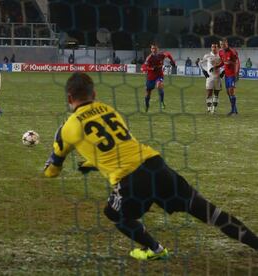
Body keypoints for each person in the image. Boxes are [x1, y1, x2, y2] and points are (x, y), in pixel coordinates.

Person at [43, 72, 258, 260]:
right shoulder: (108, 109)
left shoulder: (67, 128)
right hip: (155, 165)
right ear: (95, 94)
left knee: (114, 213)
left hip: (130, 180)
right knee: (207, 211)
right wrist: (92, 163)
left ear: (69, 98)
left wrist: (51, 162)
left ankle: (154, 249)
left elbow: (52, 172)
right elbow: (119, 145)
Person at [144, 43, 176, 112]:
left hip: (159, 75)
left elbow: (168, 54)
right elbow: (144, 67)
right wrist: (151, 69)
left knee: (159, 85)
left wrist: (172, 61)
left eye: (155, 48)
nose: (154, 50)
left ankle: (162, 102)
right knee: (148, 93)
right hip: (150, 77)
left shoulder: (161, 55)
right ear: (151, 49)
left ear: (157, 49)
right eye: (152, 48)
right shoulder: (149, 58)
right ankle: (147, 105)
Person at [215, 38, 240, 115]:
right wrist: (216, 66)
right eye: (221, 44)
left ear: (227, 43)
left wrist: (236, 74)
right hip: (227, 75)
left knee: (231, 92)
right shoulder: (221, 52)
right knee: (228, 93)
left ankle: (233, 111)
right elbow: (223, 62)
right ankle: (234, 110)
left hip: (232, 75)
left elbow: (237, 63)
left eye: (223, 44)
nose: (222, 46)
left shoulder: (232, 51)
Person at [199, 43, 223, 114]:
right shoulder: (207, 55)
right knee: (209, 93)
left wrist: (223, 72)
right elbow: (199, 63)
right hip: (210, 78)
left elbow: (225, 63)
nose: (214, 48)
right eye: (212, 47)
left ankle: (214, 109)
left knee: (216, 94)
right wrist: (204, 71)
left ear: (218, 48)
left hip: (218, 78)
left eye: (215, 47)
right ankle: (209, 109)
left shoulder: (220, 55)